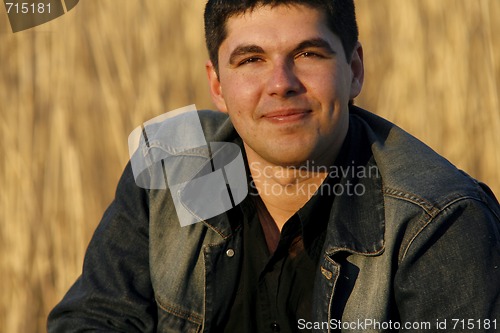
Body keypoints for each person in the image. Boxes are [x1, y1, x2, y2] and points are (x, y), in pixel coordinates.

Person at [48, 0, 500, 332]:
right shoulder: (168, 163)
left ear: (355, 69)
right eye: (251, 60)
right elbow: (94, 321)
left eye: (308, 54)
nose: (281, 84)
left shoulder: (439, 219)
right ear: (217, 85)